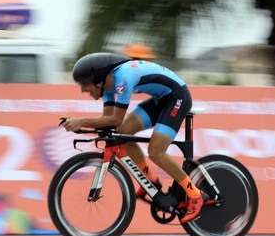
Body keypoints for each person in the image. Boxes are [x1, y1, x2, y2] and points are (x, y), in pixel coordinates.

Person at [61, 52, 206, 223]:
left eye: (85, 84)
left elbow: (115, 119)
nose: (82, 89)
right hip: (161, 100)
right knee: (123, 134)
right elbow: (107, 121)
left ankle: (195, 194)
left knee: (156, 152)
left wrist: (81, 121)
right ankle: (151, 181)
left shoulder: (124, 78)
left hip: (177, 96)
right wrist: (81, 124)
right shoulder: (107, 86)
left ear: (99, 78)